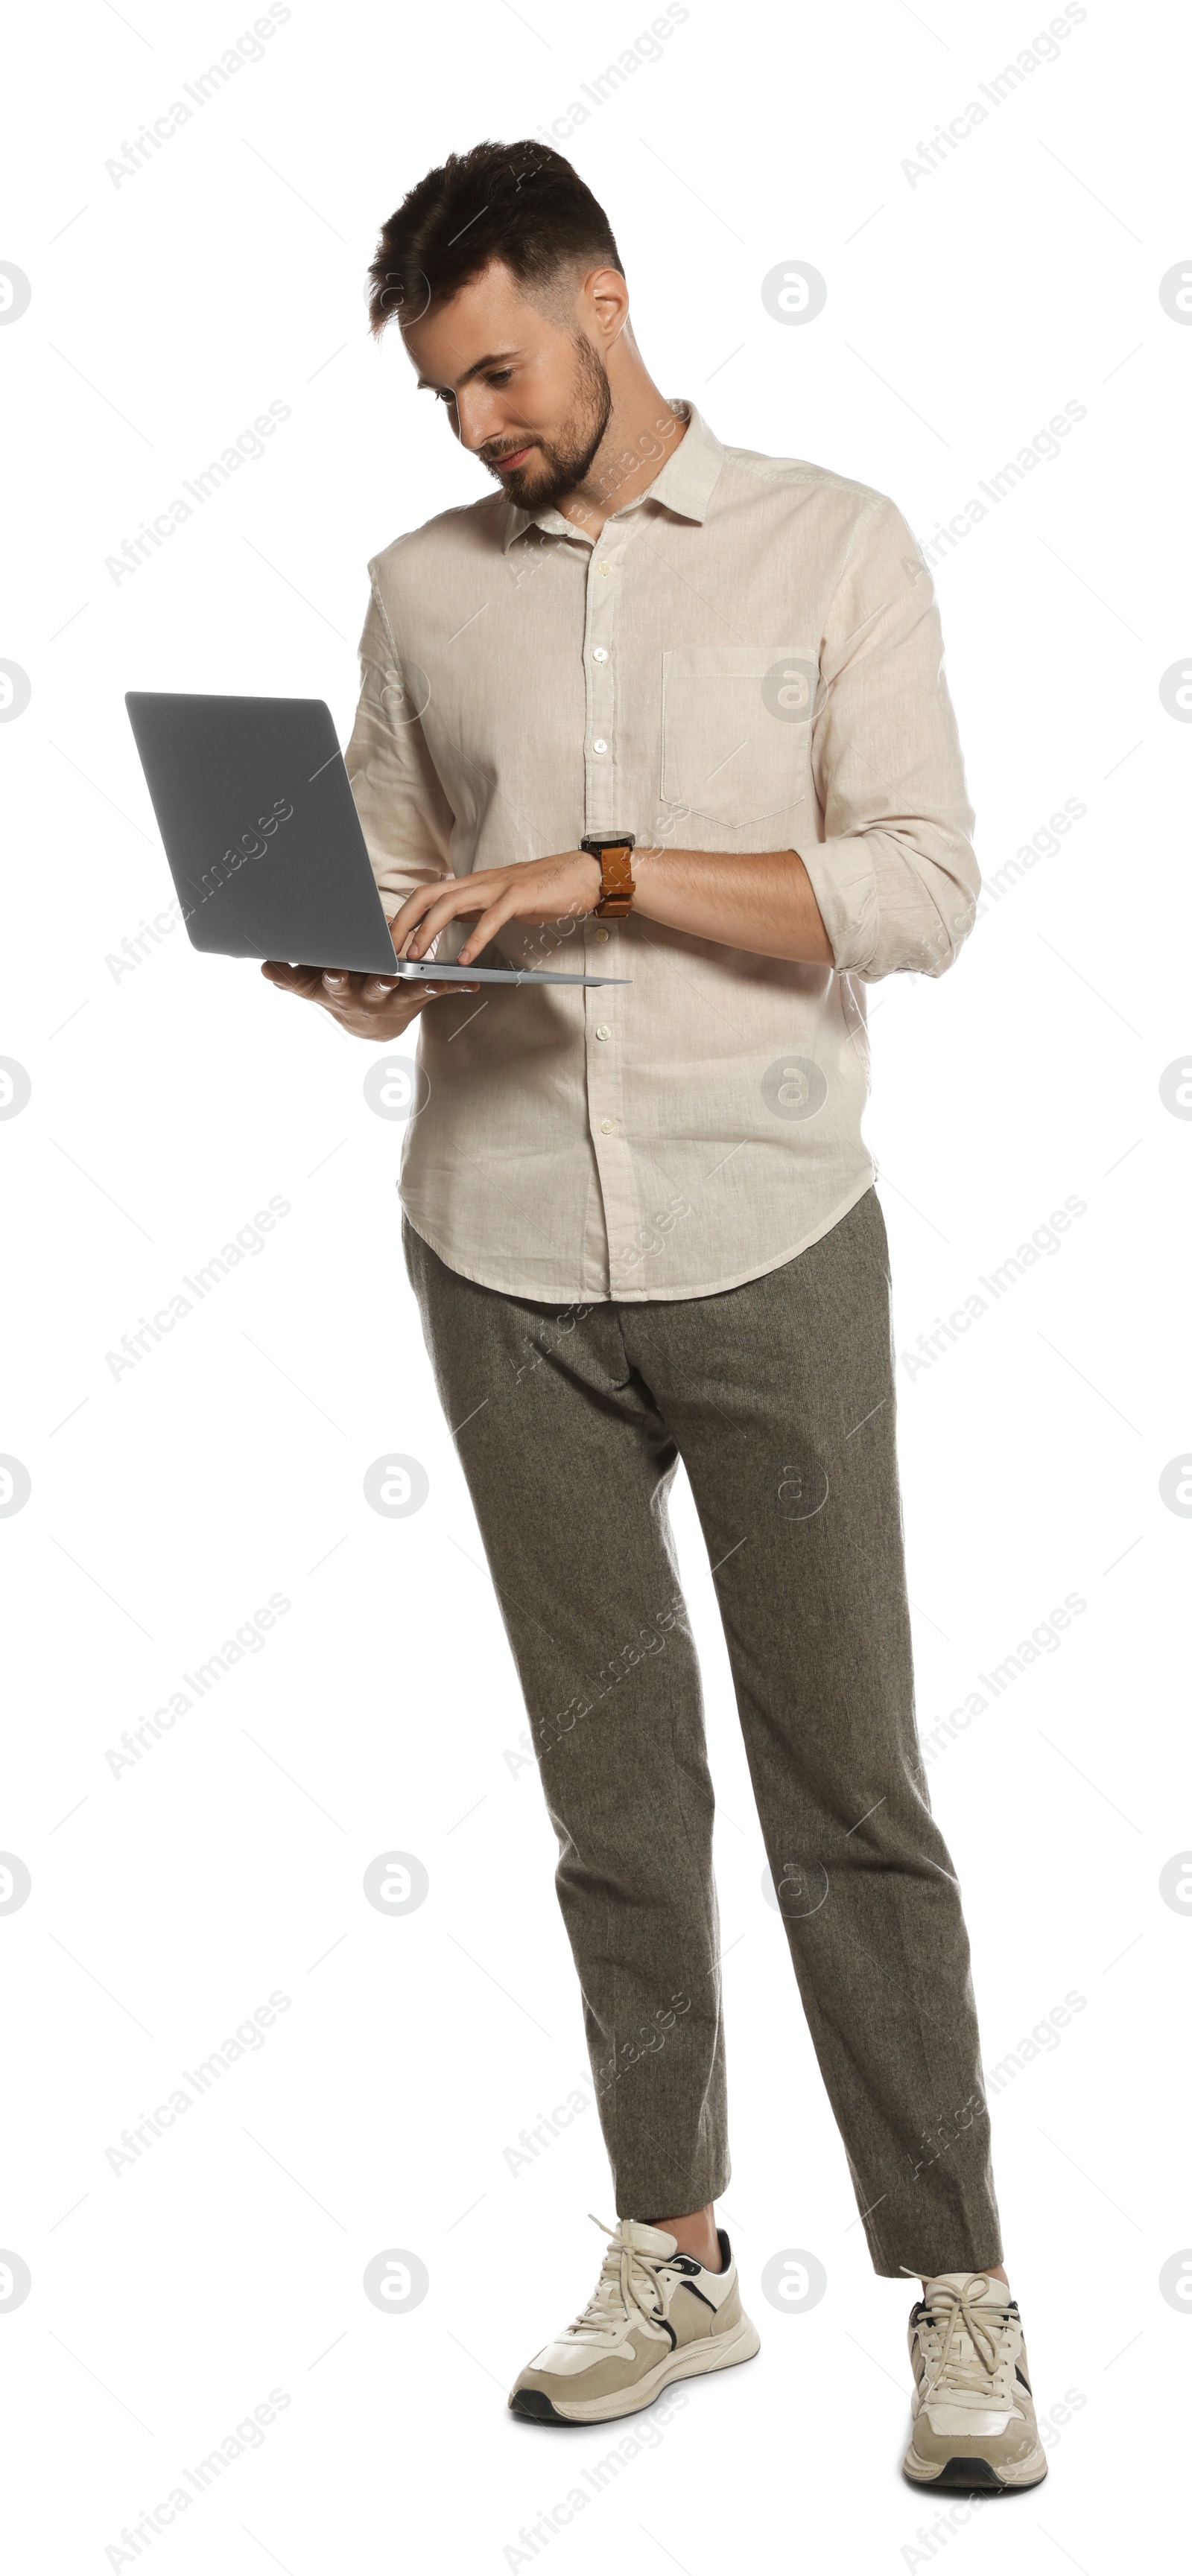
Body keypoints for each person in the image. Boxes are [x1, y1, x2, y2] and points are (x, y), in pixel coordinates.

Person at [264, 138, 1047, 2490]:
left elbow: (919, 891)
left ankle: (962, 2290)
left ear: (603, 294)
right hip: (499, 1244)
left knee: (851, 1782)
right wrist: (361, 976)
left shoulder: (835, 544)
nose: (480, 423)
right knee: (616, 1797)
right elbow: (413, 894)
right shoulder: (420, 587)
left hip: (772, 1233)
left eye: (501, 366)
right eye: (444, 394)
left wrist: (604, 874)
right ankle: (675, 2249)